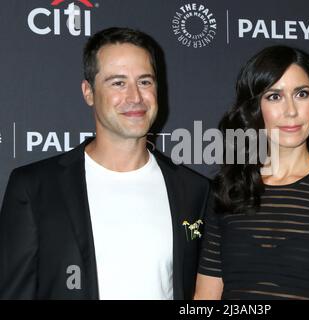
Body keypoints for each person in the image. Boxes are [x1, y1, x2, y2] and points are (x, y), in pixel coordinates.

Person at [0, 27, 209, 300]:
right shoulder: (35, 186)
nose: (135, 97)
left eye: (145, 81)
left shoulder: (193, 190)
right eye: (118, 83)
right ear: (88, 92)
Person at [195, 45, 309, 300]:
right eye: (274, 96)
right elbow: (205, 298)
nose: (291, 111)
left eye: (301, 94)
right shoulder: (228, 189)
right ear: (255, 108)